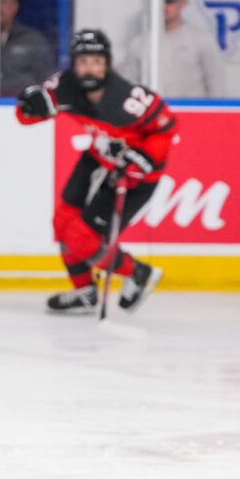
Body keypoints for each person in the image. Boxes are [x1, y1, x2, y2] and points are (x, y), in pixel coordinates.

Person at [16, 29, 174, 314]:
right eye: (83, 61)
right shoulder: (65, 86)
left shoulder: (127, 97)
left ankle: (139, 273)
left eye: (97, 61)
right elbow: (27, 116)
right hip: (98, 157)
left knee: (82, 238)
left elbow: (166, 126)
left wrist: (145, 157)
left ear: (107, 64)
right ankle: (85, 292)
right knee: (63, 223)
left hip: (134, 175)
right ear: (74, 64)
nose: (90, 67)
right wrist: (29, 108)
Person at [119, 0, 226, 98]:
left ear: (183, 2)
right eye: (159, 1)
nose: (164, 6)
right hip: (151, 112)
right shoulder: (139, 43)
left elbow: (216, 86)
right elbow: (128, 86)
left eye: (170, 1)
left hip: (191, 112)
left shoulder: (202, 40)